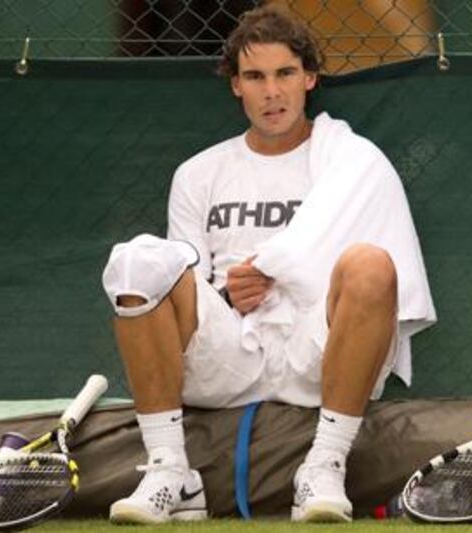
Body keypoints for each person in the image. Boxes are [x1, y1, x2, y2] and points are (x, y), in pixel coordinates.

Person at [101, 4, 436, 524]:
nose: (272, 91)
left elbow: (382, 278)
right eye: (254, 76)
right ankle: (170, 471)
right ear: (236, 85)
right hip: (228, 351)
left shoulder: (353, 162)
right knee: (136, 261)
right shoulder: (198, 173)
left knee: (372, 264)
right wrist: (229, 297)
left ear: (309, 78)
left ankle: (324, 466)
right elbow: (181, 283)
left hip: (316, 349)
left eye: (284, 74)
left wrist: (289, 272)